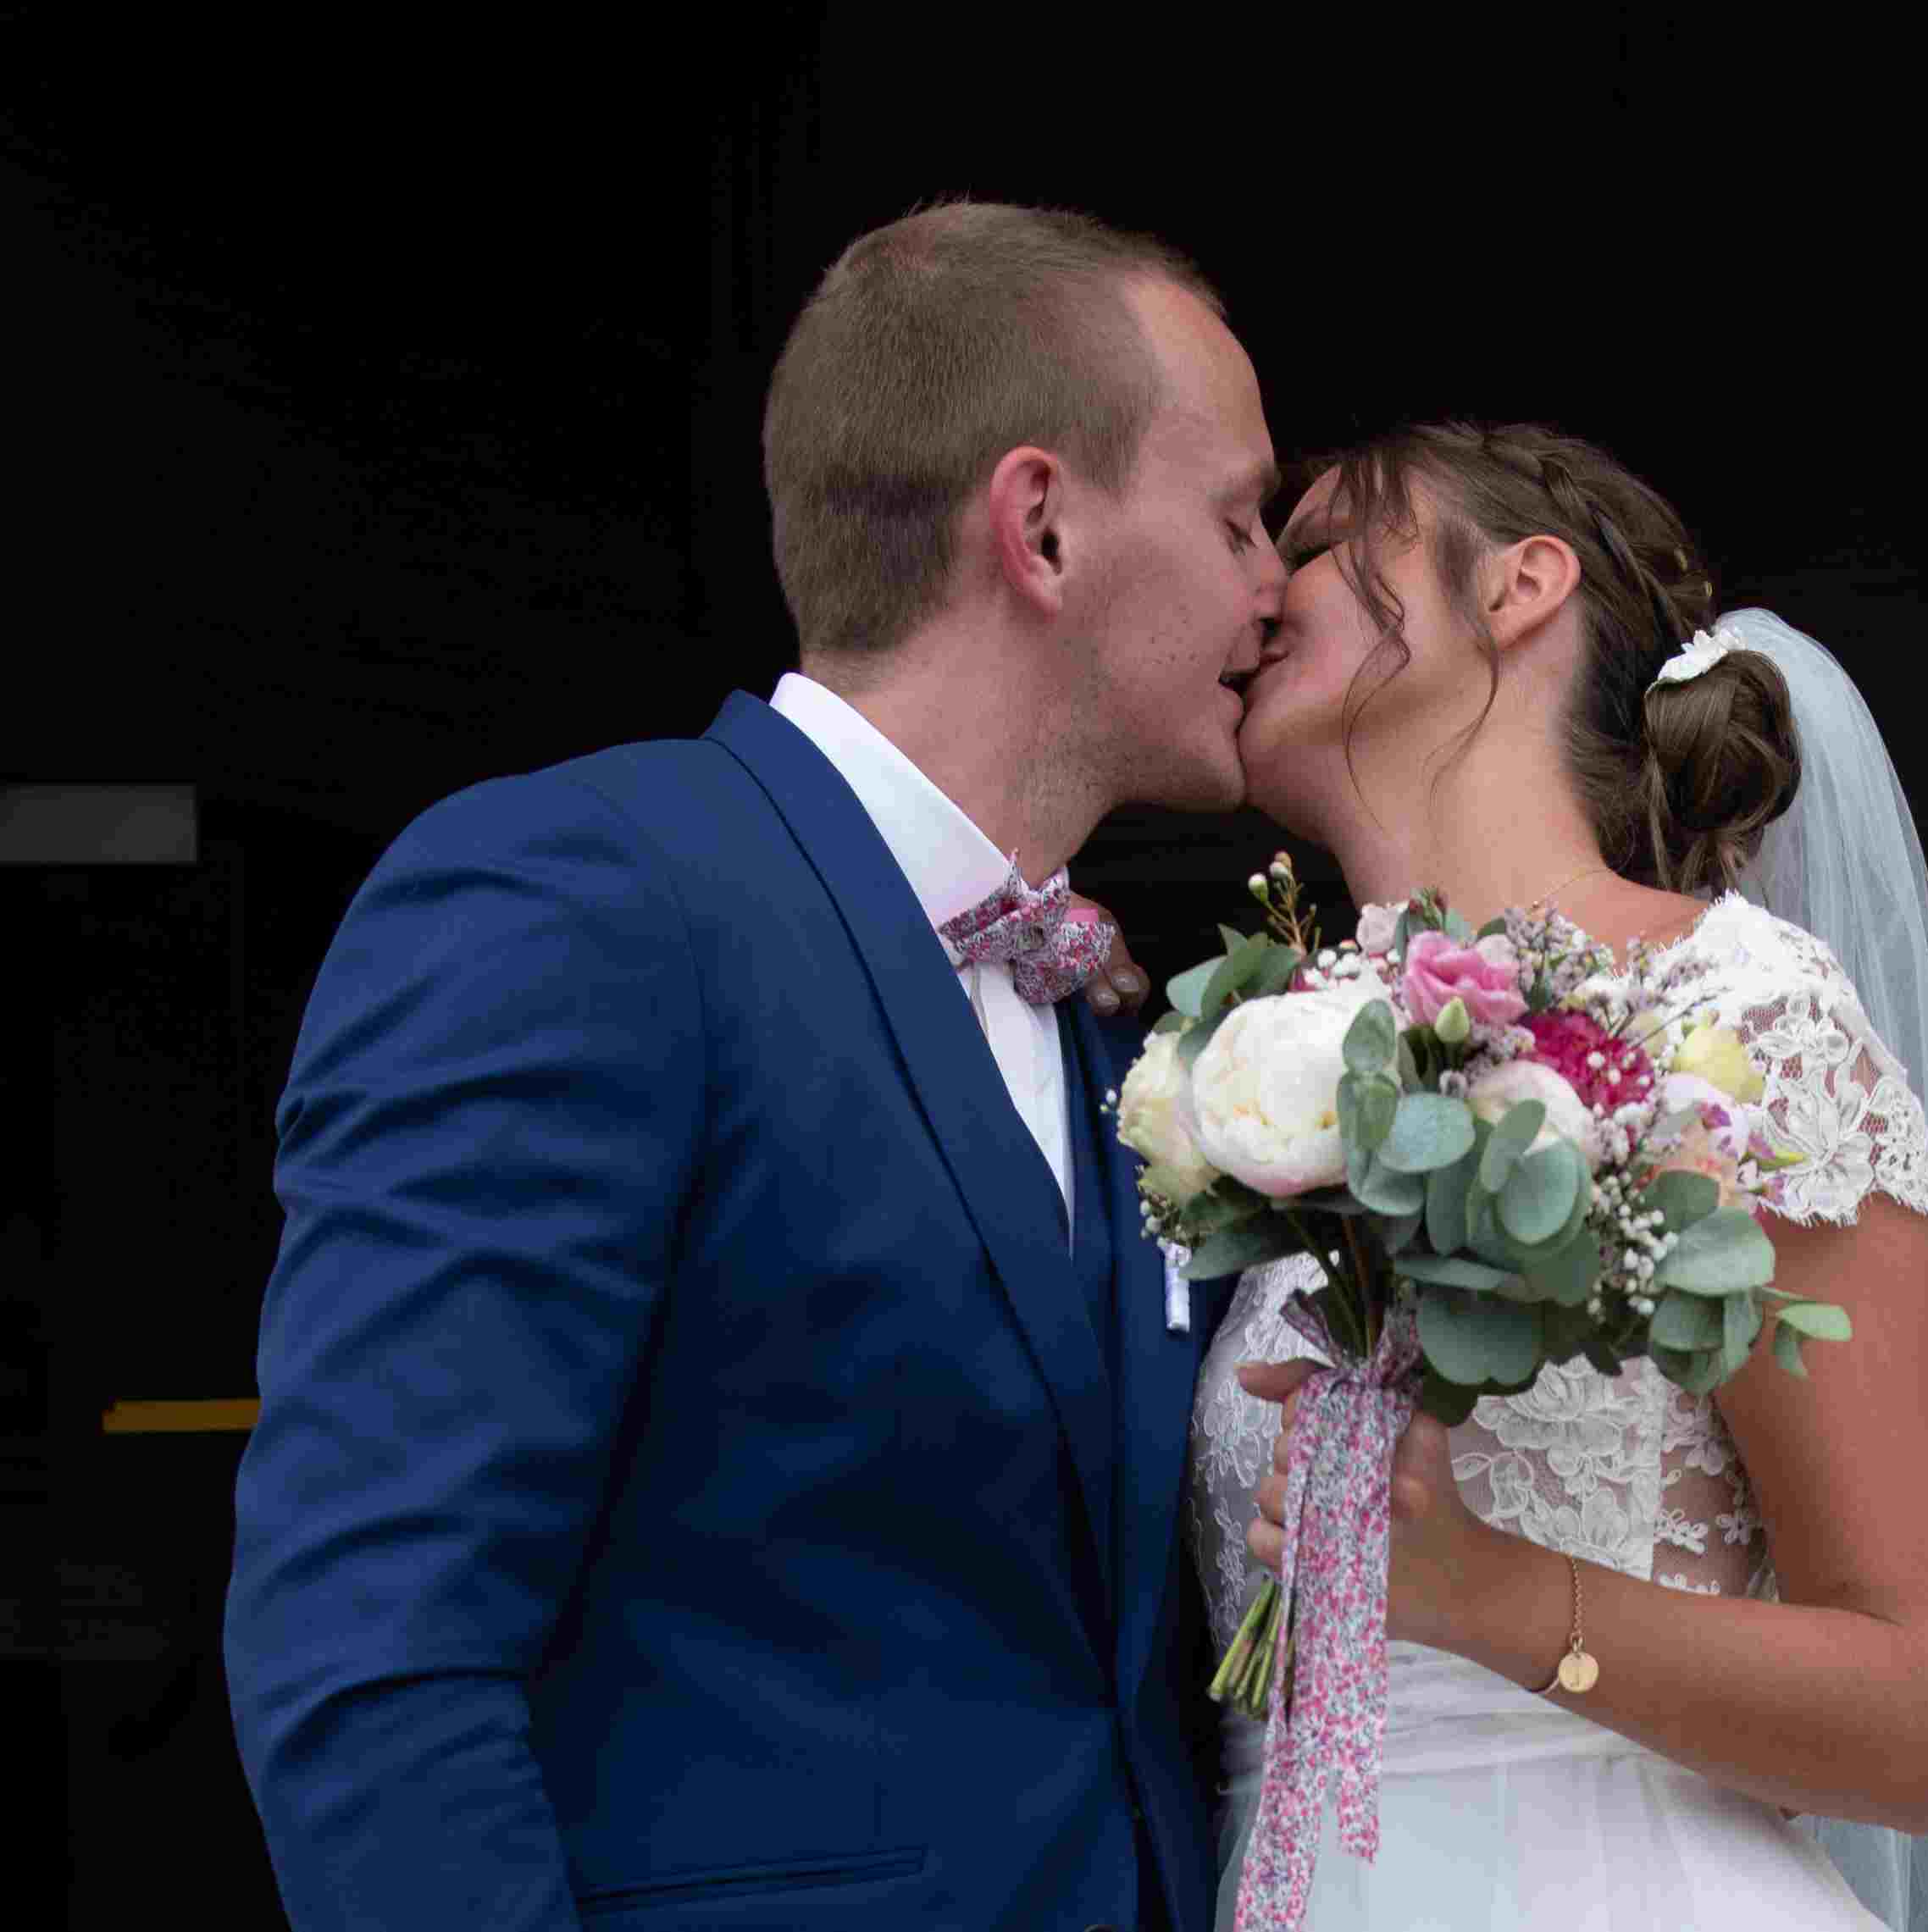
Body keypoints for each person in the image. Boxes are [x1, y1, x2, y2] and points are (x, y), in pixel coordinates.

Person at [224, 197, 1276, 1932]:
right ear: (1041, 525)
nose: (1271, 584)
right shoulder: (582, 898)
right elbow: (374, 1657)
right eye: (1238, 516)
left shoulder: (1112, 1019)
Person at [1188, 420, 1928, 1929]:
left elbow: (1918, 1722)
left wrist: (1497, 1595)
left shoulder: (1743, 1019)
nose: (1259, 586)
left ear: (1518, 585)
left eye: (1316, 543)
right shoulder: (1270, 1067)